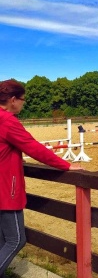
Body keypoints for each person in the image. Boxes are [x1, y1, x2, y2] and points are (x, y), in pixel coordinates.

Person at [0, 79, 83, 277]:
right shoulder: (7, 121)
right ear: (12, 100)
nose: (23, 103)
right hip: (4, 190)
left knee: (3, 239)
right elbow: (33, 148)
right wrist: (66, 165)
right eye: (22, 100)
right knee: (15, 240)